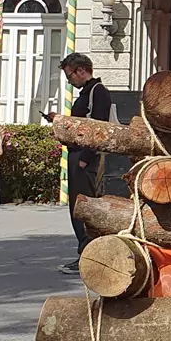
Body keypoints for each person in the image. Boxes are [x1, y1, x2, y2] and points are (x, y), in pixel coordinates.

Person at [57, 52, 113, 273]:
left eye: (70, 76)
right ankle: (85, 252)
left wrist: (85, 159)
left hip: (84, 157)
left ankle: (88, 254)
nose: (70, 81)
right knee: (77, 206)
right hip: (78, 155)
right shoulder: (87, 93)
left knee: (83, 208)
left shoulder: (98, 92)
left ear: (81, 70)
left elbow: (99, 128)